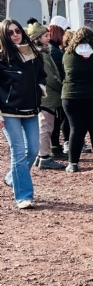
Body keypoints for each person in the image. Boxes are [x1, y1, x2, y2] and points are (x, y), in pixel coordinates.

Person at [0, 19, 47, 208]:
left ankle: (13, 177)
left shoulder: (34, 53)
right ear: (4, 36)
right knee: (18, 152)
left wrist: (41, 87)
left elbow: (41, 75)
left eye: (17, 30)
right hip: (8, 111)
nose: (15, 35)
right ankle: (24, 196)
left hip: (31, 109)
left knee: (34, 150)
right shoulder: (2, 57)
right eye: (10, 32)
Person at [61, 27, 93, 172]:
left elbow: (64, 71)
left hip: (72, 95)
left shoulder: (68, 54)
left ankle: (73, 163)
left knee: (76, 129)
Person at [28, 24, 66, 170]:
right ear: (37, 38)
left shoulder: (36, 53)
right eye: (45, 36)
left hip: (43, 96)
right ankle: (44, 157)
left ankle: (40, 156)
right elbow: (50, 78)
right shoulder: (42, 55)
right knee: (46, 127)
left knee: (43, 126)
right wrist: (63, 88)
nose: (48, 38)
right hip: (47, 97)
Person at [47, 17, 68, 160]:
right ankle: (54, 148)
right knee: (55, 121)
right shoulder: (54, 51)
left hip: (52, 91)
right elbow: (55, 75)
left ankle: (55, 147)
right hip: (55, 92)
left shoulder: (52, 49)